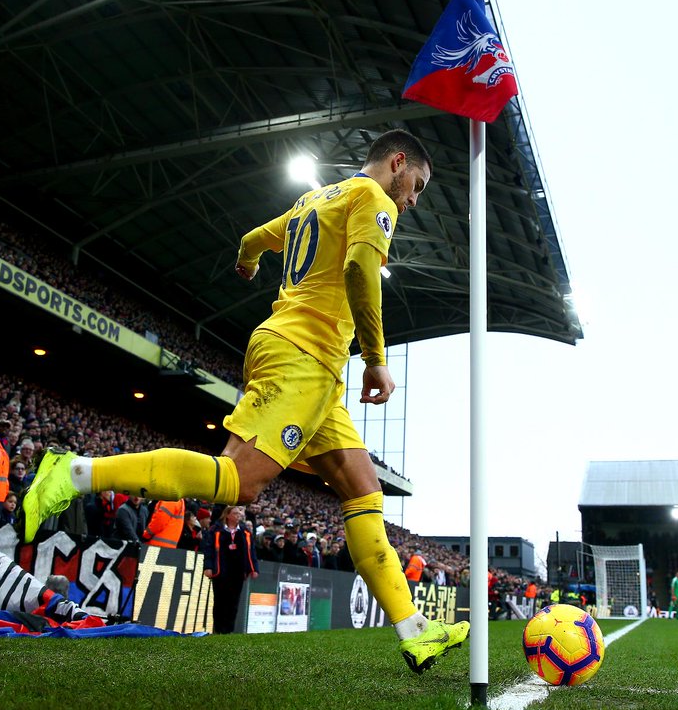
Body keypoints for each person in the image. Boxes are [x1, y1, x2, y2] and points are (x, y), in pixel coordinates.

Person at [23, 129, 465, 673]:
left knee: (363, 489)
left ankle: (414, 629)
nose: (414, 199)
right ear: (397, 163)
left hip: (317, 369)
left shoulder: (316, 198)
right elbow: (357, 271)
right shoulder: (372, 200)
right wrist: (376, 356)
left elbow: (254, 238)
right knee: (238, 481)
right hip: (301, 354)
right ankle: (73, 473)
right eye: (415, 184)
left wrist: (248, 263)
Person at [202, 505, 259, 634]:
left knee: (233, 602)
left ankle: (228, 630)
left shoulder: (245, 532)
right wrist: (208, 567)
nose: (238, 515)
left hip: (238, 572)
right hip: (221, 571)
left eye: (239, 513)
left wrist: (254, 568)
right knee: (220, 601)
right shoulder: (216, 530)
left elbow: (251, 552)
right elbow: (209, 549)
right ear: (227, 515)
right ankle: (218, 629)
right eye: (235, 513)